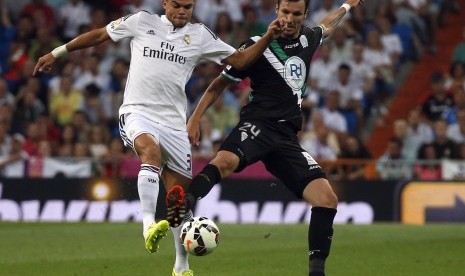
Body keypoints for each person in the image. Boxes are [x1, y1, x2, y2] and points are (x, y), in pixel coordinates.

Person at [33, 1, 285, 275]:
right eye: (177, 5)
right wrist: (57, 53)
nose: (182, 11)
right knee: (150, 152)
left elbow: (240, 60)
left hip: (174, 124)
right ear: (165, 3)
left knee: (179, 202)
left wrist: (269, 35)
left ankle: (181, 267)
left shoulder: (200, 35)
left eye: (188, 7)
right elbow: (100, 35)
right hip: (137, 112)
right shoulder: (142, 21)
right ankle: (147, 225)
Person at [166, 0, 365, 275]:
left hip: (286, 138)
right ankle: (184, 203)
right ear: (276, 11)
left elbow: (327, 25)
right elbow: (219, 83)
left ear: (304, 15)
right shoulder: (256, 45)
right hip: (258, 124)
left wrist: (347, 5)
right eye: (285, 12)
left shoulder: (308, 38)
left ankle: (316, 272)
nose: (289, 19)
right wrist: (196, 117)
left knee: (326, 199)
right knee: (224, 161)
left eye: (296, 14)